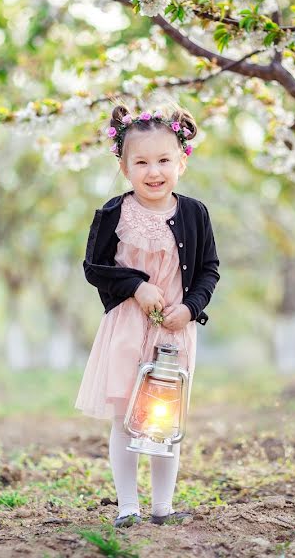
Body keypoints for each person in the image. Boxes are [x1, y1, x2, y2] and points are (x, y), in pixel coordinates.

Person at [76, 102, 220, 527]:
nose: (153, 171)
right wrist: (136, 286)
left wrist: (191, 308)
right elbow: (94, 268)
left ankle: (162, 507)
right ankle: (127, 507)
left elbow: (209, 269)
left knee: (164, 421)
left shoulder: (194, 214)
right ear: (124, 167)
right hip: (126, 328)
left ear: (182, 162)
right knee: (125, 420)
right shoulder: (113, 213)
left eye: (163, 160)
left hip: (173, 332)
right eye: (141, 162)